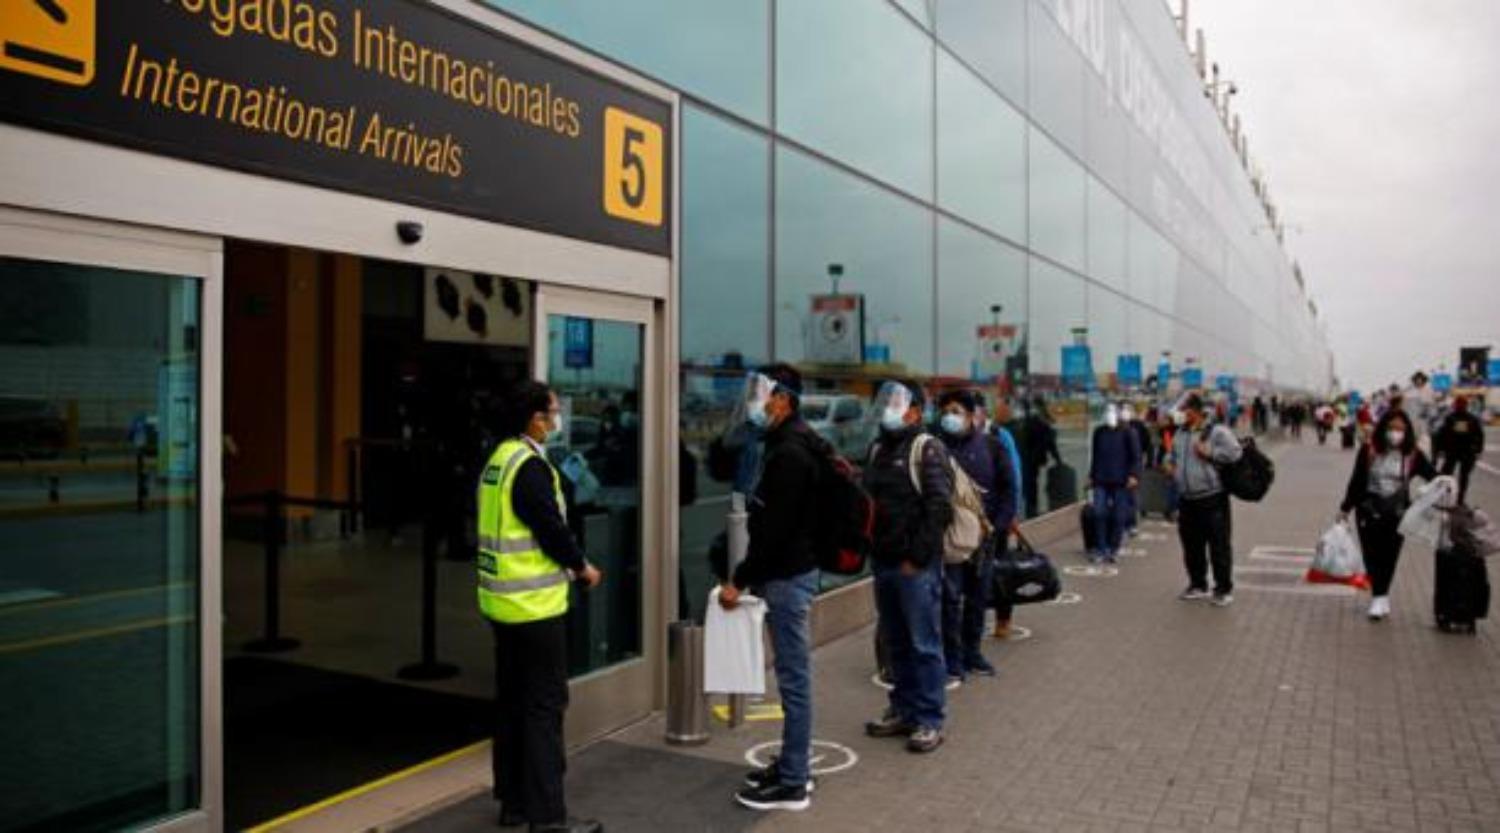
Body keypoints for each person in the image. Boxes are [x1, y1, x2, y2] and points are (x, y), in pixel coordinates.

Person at [477, 380, 603, 833]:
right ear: (535, 418)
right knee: (544, 708)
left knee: (512, 703)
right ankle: (548, 818)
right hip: (535, 608)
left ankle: (513, 803)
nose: (557, 417)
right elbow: (550, 528)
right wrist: (582, 566)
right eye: (552, 410)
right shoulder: (530, 467)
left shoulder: (498, 459)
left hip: (502, 604)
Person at [718, 365, 822, 812]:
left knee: (794, 679)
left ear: (784, 400)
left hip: (788, 576)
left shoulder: (790, 454)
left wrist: (738, 580)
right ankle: (792, 763)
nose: (757, 402)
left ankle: (794, 782)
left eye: (764, 394)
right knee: (792, 676)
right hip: (789, 571)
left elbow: (773, 531)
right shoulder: (785, 443)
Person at [863, 380, 953, 754]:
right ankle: (903, 709)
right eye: (884, 401)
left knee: (924, 644)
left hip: (914, 567)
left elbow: (939, 507)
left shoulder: (926, 448)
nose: (888, 408)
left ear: (915, 411)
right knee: (895, 643)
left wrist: (916, 558)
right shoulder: (877, 449)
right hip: (883, 561)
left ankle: (930, 719)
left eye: (895, 402)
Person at [936, 390, 1016, 680]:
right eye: (945, 412)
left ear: (971, 416)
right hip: (951, 541)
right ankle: (952, 658)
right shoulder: (935, 448)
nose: (949, 417)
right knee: (950, 601)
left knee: (977, 598)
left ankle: (973, 653)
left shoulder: (992, 447)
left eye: (955, 411)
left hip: (984, 538)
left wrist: (998, 526)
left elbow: (1009, 488)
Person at [1339, 409, 1437, 620]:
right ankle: (1379, 595)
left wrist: (1443, 487)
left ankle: (1380, 596)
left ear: (1407, 431)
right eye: (1392, 428)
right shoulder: (1369, 450)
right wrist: (1345, 508)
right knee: (1371, 555)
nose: (1396, 433)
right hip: (1368, 511)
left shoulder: (1413, 454)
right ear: (1383, 428)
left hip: (1398, 513)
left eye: (1400, 429)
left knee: (1389, 556)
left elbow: (1433, 476)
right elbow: (1356, 481)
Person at [1166, 393, 1243, 606]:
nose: (1180, 414)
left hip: (1212, 498)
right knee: (1191, 545)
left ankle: (1223, 589)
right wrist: (1169, 464)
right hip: (1186, 498)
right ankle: (1198, 584)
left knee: (1218, 545)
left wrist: (1210, 453)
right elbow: (1172, 456)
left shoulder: (1216, 431)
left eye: (1183, 410)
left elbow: (1236, 453)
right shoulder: (1180, 433)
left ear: (1194, 411)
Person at [989, 397, 1027, 640]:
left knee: (1001, 567)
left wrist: (1013, 513)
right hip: (967, 522)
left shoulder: (1001, 436)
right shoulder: (956, 439)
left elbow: (1014, 476)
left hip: (997, 517)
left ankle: (1003, 619)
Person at [1087, 403, 1142, 563]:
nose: (1109, 415)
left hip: (1121, 481)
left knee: (1119, 516)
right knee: (1099, 513)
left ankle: (1113, 549)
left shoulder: (1128, 432)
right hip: (1100, 479)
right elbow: (1095, 456)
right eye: (1107, 411)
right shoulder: (1099, 432)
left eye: (1112, 412)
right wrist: (1091, 475)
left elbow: (1136, 456)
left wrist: (1134, 475)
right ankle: (1101, 548)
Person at [1434, 395, 1485, 506]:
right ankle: (1457, 498)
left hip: (1456, 451)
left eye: (1459, 404)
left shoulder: (1451, 418)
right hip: (1463, 452)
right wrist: (1478, 450)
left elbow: (1441, 434)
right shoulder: (1468, 418)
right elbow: (1480, 435)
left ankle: (1450, 497)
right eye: (1459, 404)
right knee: (1459, 476)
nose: (1459, 406)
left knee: (1451, 475)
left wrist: (1439, 450)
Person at [1022, 396, 1063, 519]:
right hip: (1034, 458)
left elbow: (1049, 439)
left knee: (1030, 485)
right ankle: (1031, 510)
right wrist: (1058, 460)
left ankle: (1030, 510)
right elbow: (1050, 442)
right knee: (1031, 485)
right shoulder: (1040, 419)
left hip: (1029, 457)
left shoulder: (1033, 419)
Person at [1123, 403, 1152, 537]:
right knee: (1124, 496)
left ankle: (1131, 524)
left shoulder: (1138, 426)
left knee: (1131, 495)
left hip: (1133, 465)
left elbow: (1147, 444)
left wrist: (1146, 461)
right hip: (1123, 465)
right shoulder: (1118, 427)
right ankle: (1125, 523)